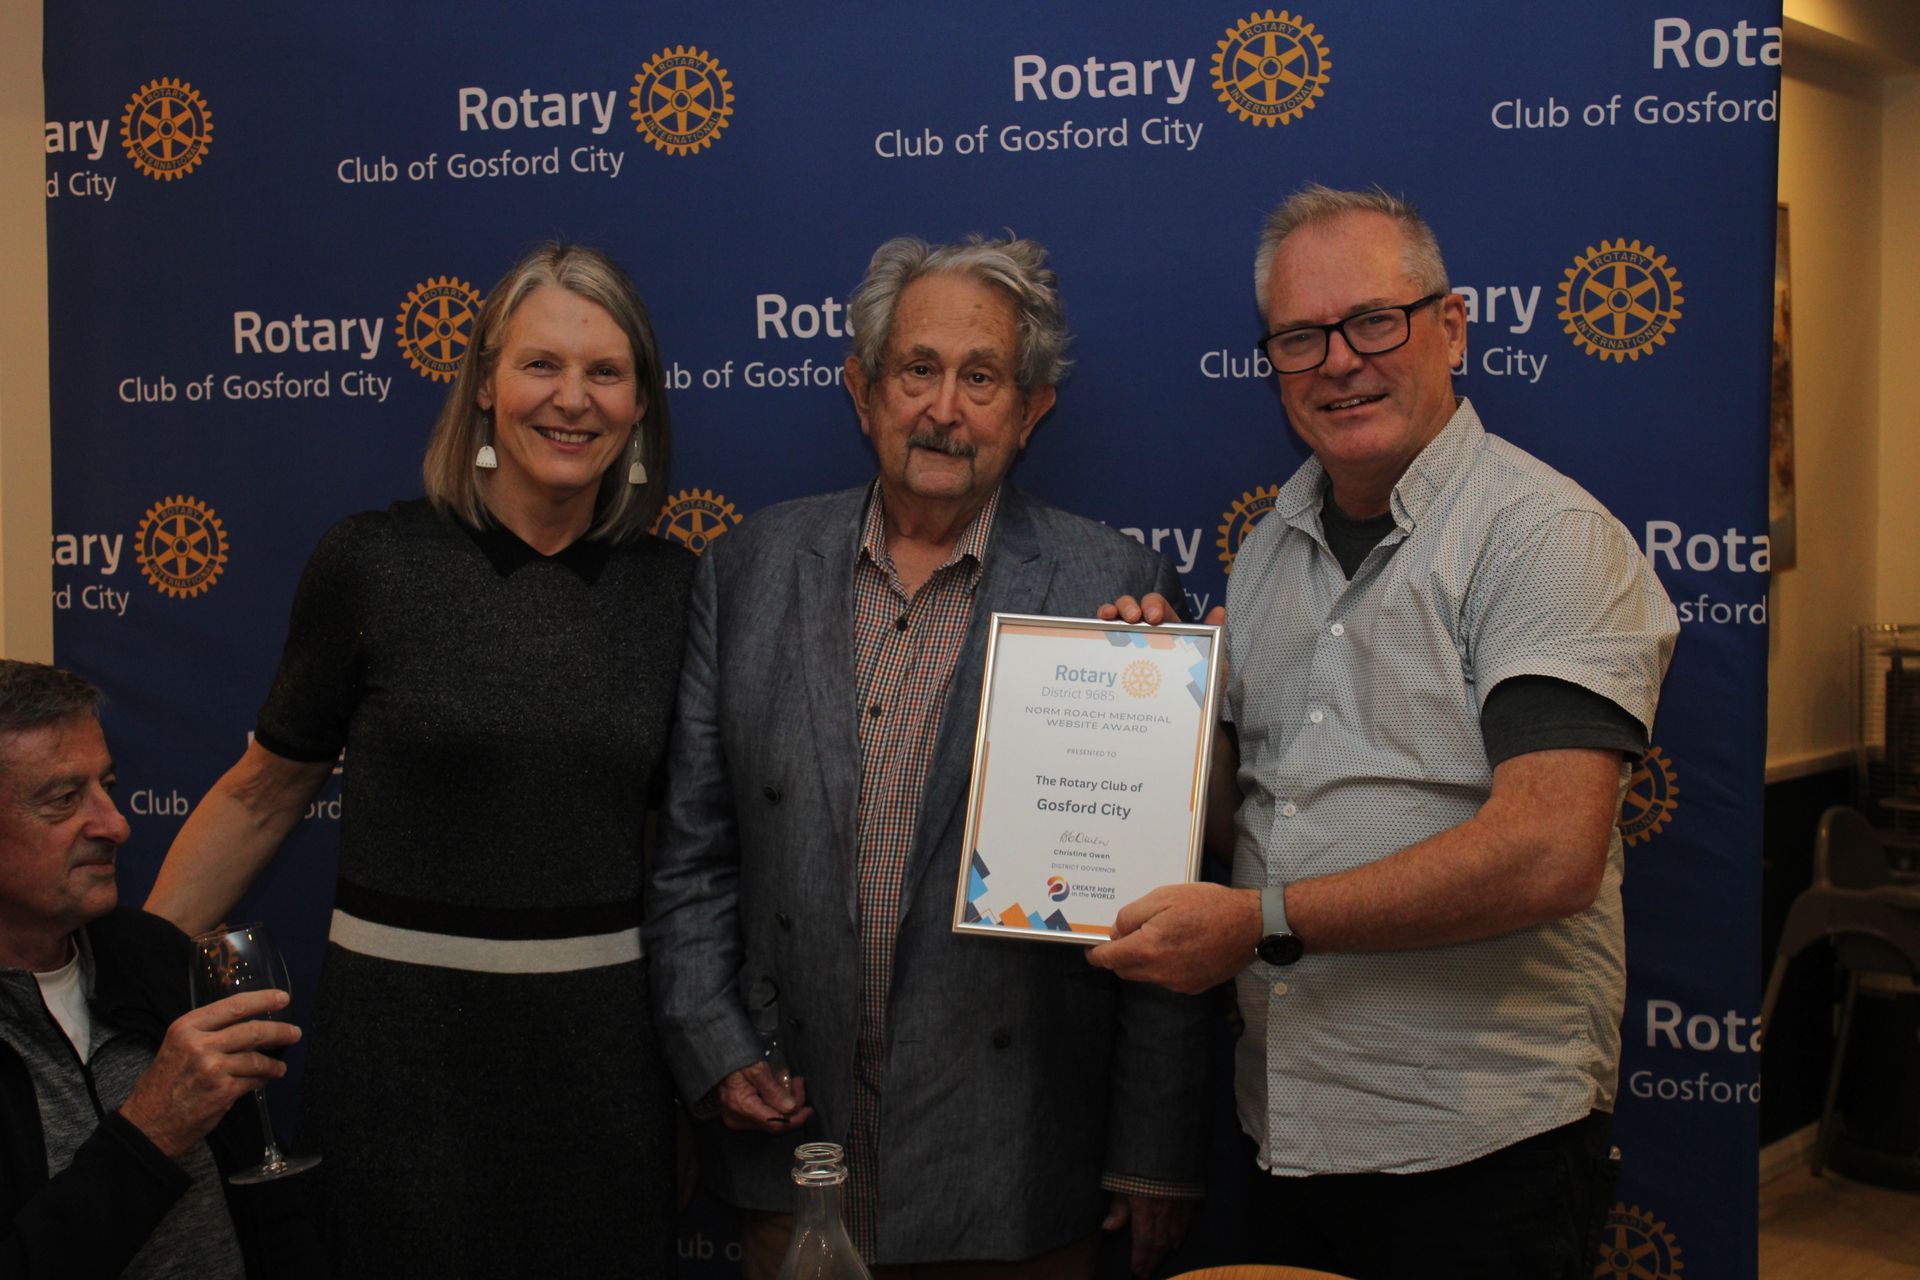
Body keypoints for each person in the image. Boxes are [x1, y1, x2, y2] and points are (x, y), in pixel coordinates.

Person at [1090, 185, 1680, 1279]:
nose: (1339, 360)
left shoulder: (1540, 536)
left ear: (1449, 326)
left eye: (1374, 321)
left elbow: (1551, 852)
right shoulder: (1272, 545)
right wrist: (1154, 707)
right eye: (1301, 336)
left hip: (1476, 1149)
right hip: (1293, 1133)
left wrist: (1260, 922)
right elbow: (1252, 807)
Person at [645, 235, 1211, 1279]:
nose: (944, 407)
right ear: (863, 390)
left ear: (1033, 407)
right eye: (918, 370)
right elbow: (692, 850)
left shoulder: (1112, 584)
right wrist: (713, 1041)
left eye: (981, 376)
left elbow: (1161, 914)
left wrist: (1153, 1154)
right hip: (797, 1151)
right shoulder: (751, 569)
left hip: (1014, 1174)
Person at [144, 244, 693, 1276]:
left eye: (606, 372)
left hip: (601, 1070)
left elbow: (698, 847)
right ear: (484, 381)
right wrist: (124, 987)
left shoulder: (676, 592)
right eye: (540, 365)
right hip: (400, 1068)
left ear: (638, 405)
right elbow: (263, 798)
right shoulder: (371, 563)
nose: (571, 399)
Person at [0, 659, 322, 1278]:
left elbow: (271, 1206)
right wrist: (153, 1129)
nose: (115, 826)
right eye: (65, 800)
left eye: (108, 787)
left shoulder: (154, 958)